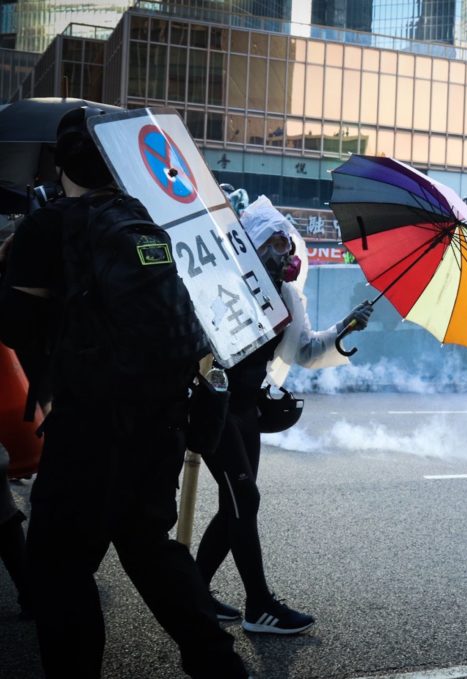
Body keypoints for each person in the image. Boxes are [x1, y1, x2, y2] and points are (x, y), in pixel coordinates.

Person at [0, 107, 247, 678]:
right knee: (148, 544)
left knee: (58, 565)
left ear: (60, 164)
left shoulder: (50, 225)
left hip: (90, 424)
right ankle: (219, 665)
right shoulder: (144, 217)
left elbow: (14, 326)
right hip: (161, 416)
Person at [196, 195, 374, 636]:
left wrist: (345, 328)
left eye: (286, 243)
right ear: (250, 247)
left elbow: (308, 351)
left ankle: (194, 593)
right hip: (216, 406)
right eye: (273, 243)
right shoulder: (221, 284)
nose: (285, 253)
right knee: (245, 499)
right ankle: (258, 605)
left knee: (235, 503)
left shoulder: (288, 295)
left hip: (247, 410)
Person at [0, 444, 30, 620]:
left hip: (4, 514)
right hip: (5, 513)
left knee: (19, 562)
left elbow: (3, 460)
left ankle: (31, 601)